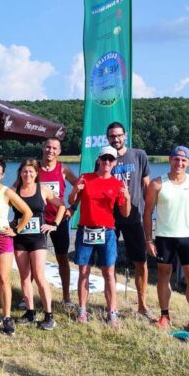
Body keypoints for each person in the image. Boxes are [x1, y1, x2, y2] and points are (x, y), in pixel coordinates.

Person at [143, 145, 189, 334]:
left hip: (188, 237)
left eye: (183, 160)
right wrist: (149, 240)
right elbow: (147, 213)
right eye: (176, 159)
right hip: (164, 237)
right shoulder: (157, 184)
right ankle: (164, 315)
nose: (179, 163)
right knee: (164, 275)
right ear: (170, 159)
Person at [68, 147, 130, 327]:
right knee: (83, 272)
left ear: (115, 162)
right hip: (85, 230)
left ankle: (112, 313)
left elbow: (125, 213)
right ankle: (82, 310)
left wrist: (126, 196)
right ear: (99, 160)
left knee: (109, 273)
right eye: (104, 159)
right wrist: (75, 190)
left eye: (111, 159)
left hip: (107, 232)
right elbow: (72, 201)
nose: (107, 162)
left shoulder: (117, 184)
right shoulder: (85, 178)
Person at [107, 122, 154, 320]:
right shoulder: (105, 158)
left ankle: (142, 305)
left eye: (119, 135)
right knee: (108, 263)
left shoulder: (139, 155)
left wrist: (148, 212)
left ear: (125, 136)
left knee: (140, 262)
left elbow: (147, 185)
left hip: (134, 217)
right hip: (110, 219)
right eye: (112, 136)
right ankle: (112, 306)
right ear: (107, 138)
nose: (116, 139)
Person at [0, 159, 32, 336]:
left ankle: (7, 317)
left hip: (2, 238)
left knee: (3, 278)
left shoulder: (6, 192)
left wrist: (16, 230)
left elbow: (27, 212)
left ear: (2, 175)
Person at [12, 159, 65, 330]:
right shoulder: (14, 190)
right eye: (24, 171)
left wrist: (54, 224)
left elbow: (62, 206)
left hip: (38, 239)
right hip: (20, 238)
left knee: (39, 275)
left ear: (36, 174)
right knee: (25, 277)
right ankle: (30, 312)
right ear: (20, 173)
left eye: (31, 171)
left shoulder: (43, 190)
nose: (27, 174)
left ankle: (49, 315)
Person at [39, 137, 80, 309]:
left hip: (59, 220)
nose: (51, 150)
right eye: (48, 147)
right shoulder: (34, 168)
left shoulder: (63, 169)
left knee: (62, 258)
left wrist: (73, 208)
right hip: (39, 221)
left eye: (54, 148)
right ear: (43, 148)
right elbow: (17, 188)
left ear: (59, 151)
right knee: (35, 260)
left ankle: (66, 297)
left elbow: (80, 187)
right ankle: (28, 296)